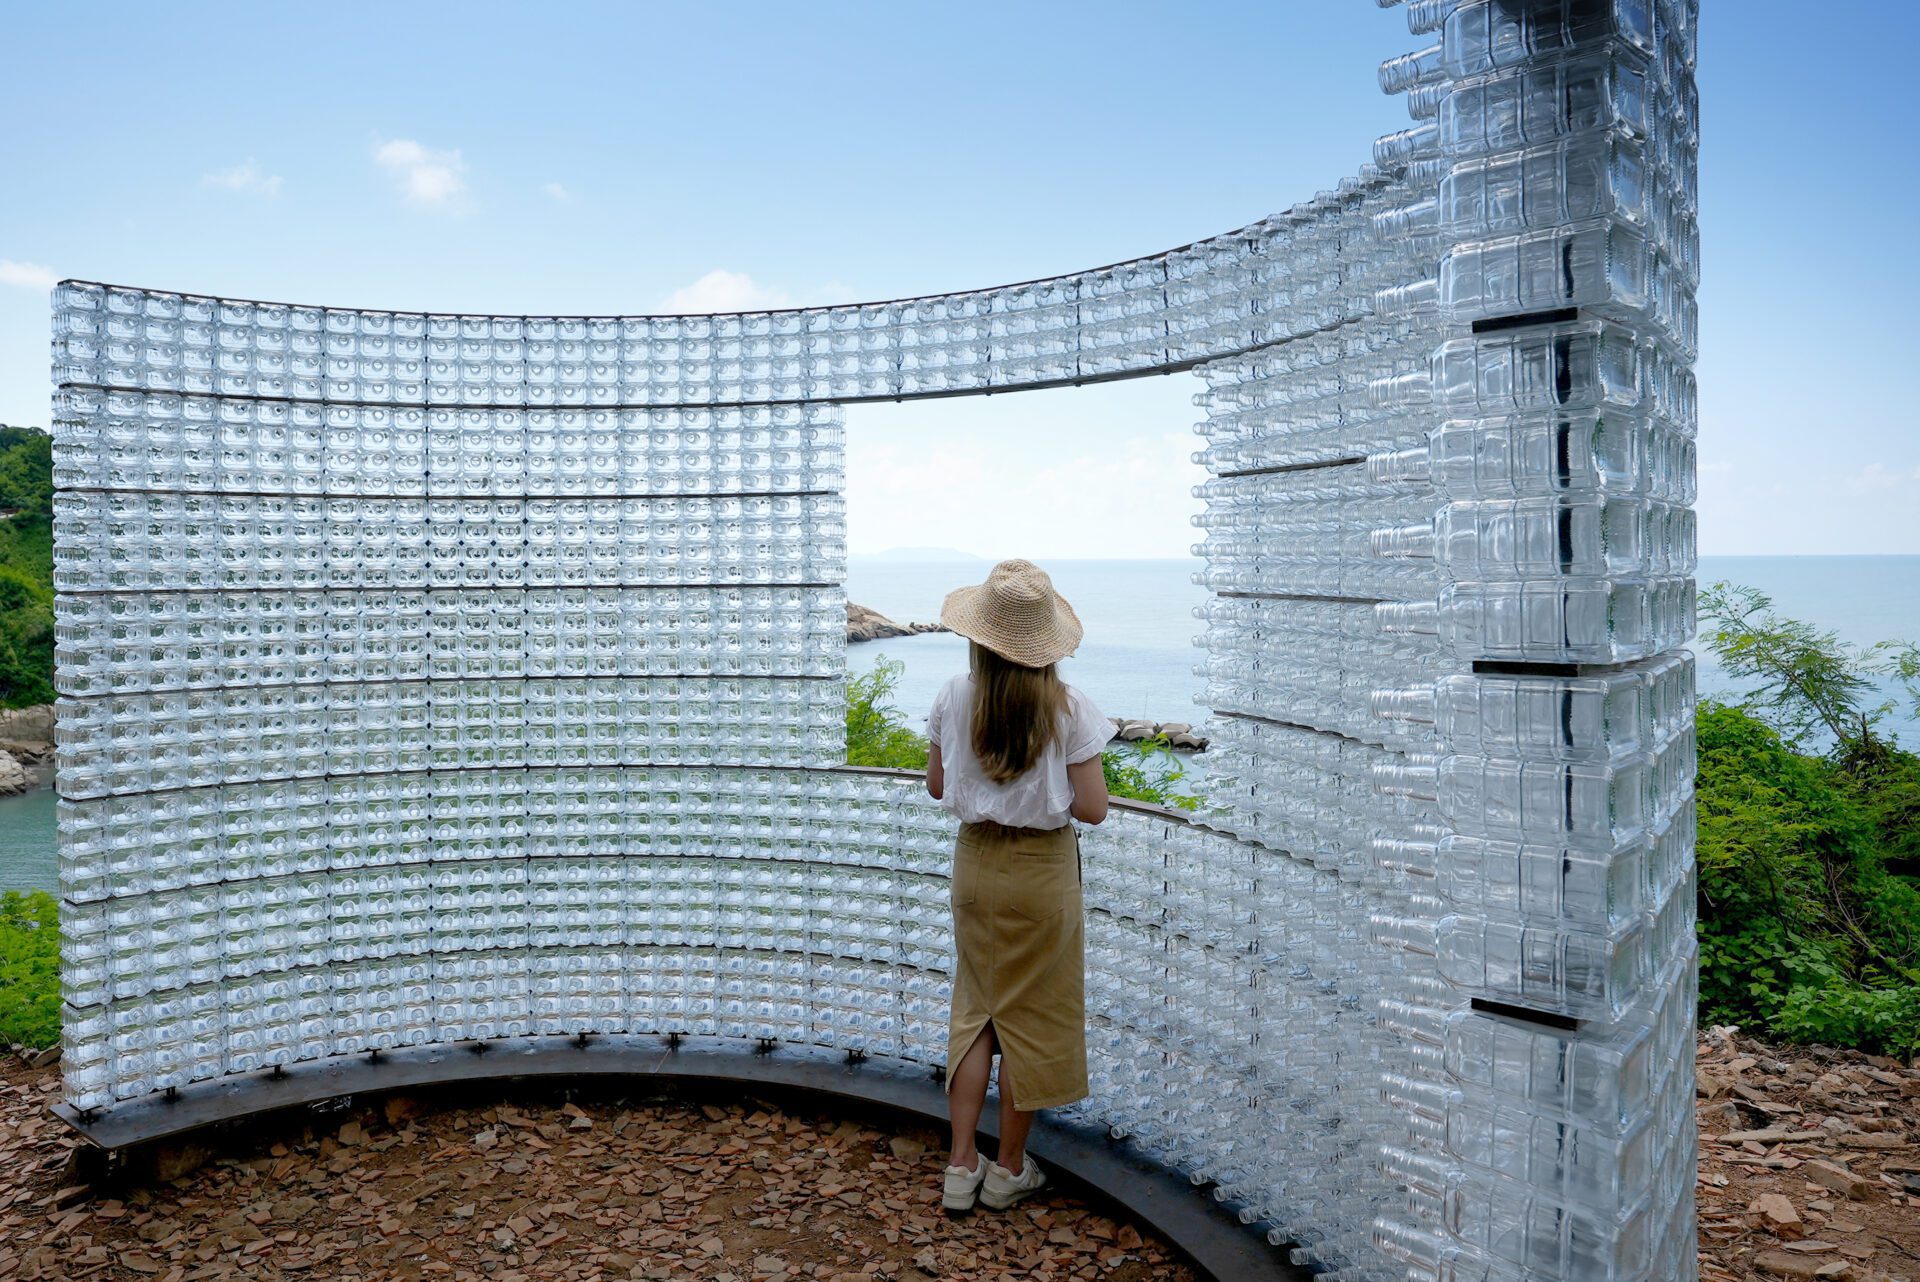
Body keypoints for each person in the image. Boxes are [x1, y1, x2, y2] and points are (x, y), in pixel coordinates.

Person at [923, 559, 1110, 1216]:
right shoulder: (1069, 708)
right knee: (1028, 1021)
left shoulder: (952, 695)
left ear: (979, 637)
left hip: (975, 865)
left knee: (977, 1010)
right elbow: (1093, 808)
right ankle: (1007, 1171)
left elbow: (939, 787)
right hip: (1042, 873)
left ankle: (959, 1164)